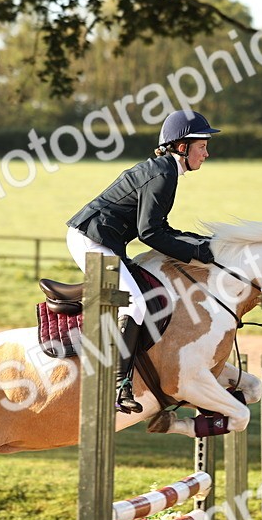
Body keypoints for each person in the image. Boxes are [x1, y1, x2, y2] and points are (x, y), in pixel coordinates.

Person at [66, 109, 220, 414]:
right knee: (135, 304)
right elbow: (149, 233)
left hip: (103, 239)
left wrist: (199, 243)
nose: (206, 153)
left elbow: (159, 228)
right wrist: (196, 253)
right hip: (91, 239)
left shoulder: (165, 170)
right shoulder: (164, 174)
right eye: (201, 146)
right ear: (182, 147)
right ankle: (119, 384)